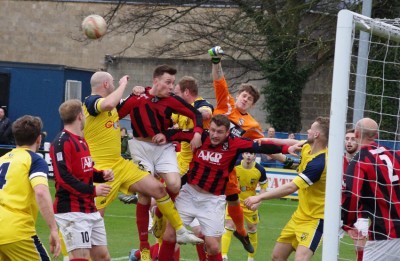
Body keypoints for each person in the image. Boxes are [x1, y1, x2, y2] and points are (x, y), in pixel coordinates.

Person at [83, 71, 202, 261]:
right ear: (106, 84)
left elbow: (122, 104)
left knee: (158, 189)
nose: (171, 87)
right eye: (168, 82)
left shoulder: (117, 106)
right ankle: (74, 254)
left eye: (173, 84)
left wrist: (133, 93)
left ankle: (178, 229)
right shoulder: (91, 102)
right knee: (92, 218)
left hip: (121, 164)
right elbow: (108, 104)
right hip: (101, 169)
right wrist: (126, 85)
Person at [155, 114, 295, 261]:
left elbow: (261, 146)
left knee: (214, 247)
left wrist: (286, 148)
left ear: (227, 132)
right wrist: (162, 135)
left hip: (213, 200)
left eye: (219, 132)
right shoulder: (200, 137)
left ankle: (240, 232)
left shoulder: (235, 143)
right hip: (189, 194)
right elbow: (177, 133)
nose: (214, 135)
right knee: (170, 235)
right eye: (212, 130)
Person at [245, 116, 330, 261]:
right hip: (299, 216)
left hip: (315, 220)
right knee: (277, 257)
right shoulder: (308, 146)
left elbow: (291, 187)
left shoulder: (320, 163)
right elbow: (290, 143)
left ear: (316, 134)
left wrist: (259, 196)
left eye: (311, 128)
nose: (308, 130)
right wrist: (264, 141)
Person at [50, 99, 115, 261]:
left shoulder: (81, 139)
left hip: (89, 208)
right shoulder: (61, 141)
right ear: (80, 116)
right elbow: (63, 178)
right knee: (81, 257)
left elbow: (85, 169)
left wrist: (101, 175)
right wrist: (94, 191)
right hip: (71, 210)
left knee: (102, 256)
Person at [0, 115, 61, 260]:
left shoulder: (2, 159)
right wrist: (53, 229)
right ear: (39, 139)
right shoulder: (34, 160)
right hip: (16, 230)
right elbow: (40, 192)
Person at [341, 118, 400, 261]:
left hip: (385, 235)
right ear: (377, 135)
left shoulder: (360, 161)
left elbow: (352, 194)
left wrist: (347, 224)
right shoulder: (394, 154)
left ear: (356, 134)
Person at [221, 152, 268, 261]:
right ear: (243, 155)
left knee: (252, 228)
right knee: (229, 225)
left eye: (251, 153)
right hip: (234, 202)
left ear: (254, 156)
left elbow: (263, 188)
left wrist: (258, 202)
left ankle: (251, 258)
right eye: (246, 153)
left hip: (250, 204)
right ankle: (223, 256)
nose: (248, 156)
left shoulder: (260, 170)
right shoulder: (235, 165)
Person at [341, 128, 365, 261]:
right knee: (333, 249)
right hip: (338, 211)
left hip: (358, 211)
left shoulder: (363, 163)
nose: (349, 142)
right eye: (347, 139)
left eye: (353, 139)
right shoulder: (336, 162)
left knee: (361, 248)